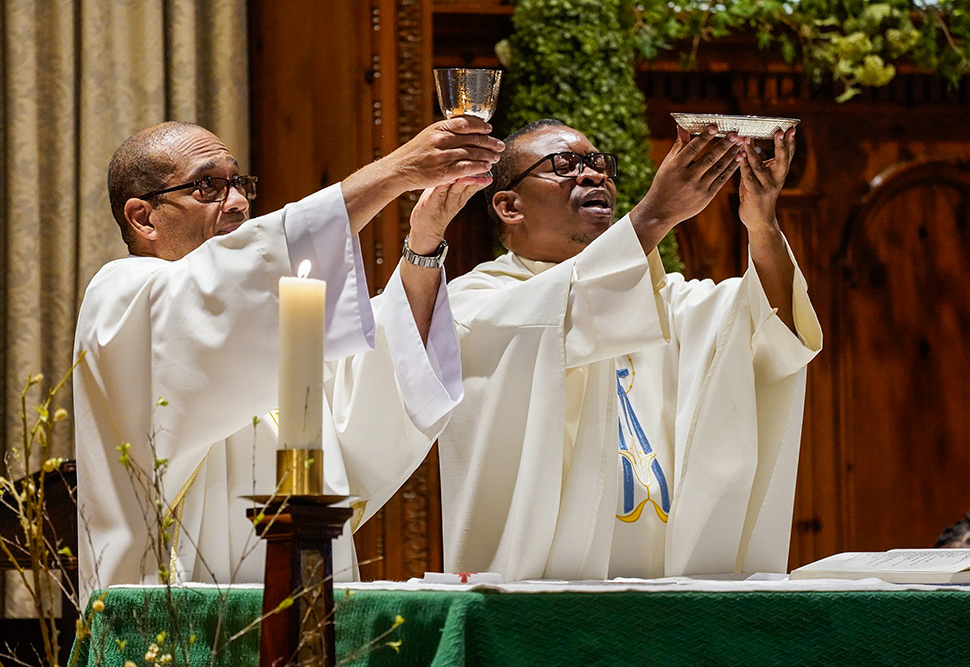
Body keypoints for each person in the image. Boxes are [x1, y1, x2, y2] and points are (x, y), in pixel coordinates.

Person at [74, 118, 503, 602]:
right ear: (143, 217)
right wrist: (395, 172)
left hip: (307, 614)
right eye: (209, 186)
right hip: (172, 622)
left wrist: (423, 243)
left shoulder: (280, 327)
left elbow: (375, 401)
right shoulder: (120, 299)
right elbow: (219, 287)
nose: (236, 201)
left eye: (239, 183)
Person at [429, 118, 822, 580]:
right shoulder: (472, 305)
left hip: (666, 593)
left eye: (598, 164)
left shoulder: (663, 300)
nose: (595, 175)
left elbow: (775, 332)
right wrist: (655, 215)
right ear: (509, 206)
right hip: (539, 598)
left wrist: (762, 224)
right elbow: (554, 316)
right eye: (564, 165)